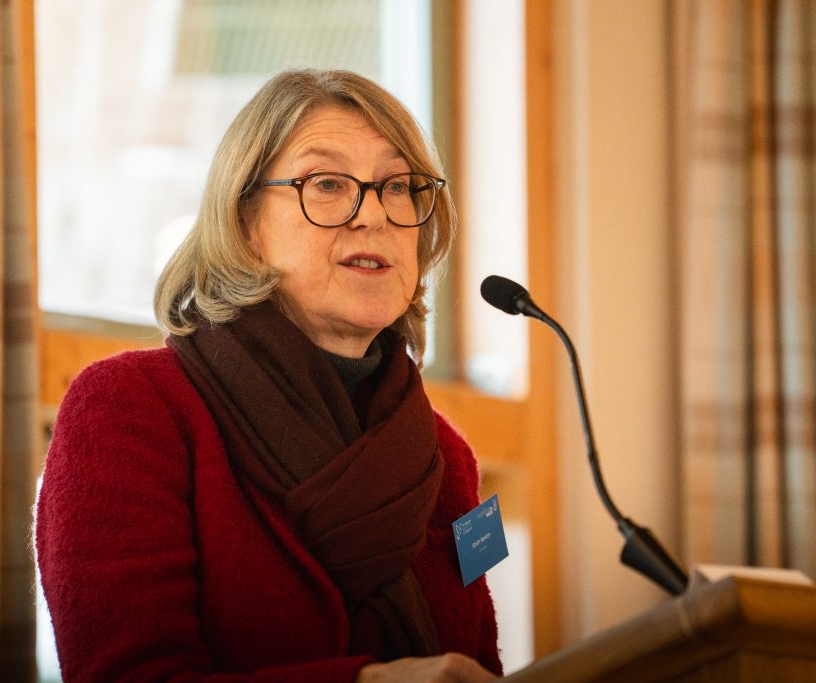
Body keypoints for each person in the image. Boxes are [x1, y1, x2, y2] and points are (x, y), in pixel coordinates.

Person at [35, 68, 503, 682]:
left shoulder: (447, 458)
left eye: (398, 186)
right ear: (244, 225)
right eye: (328, 183)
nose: (375, 216)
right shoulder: (130, 408)